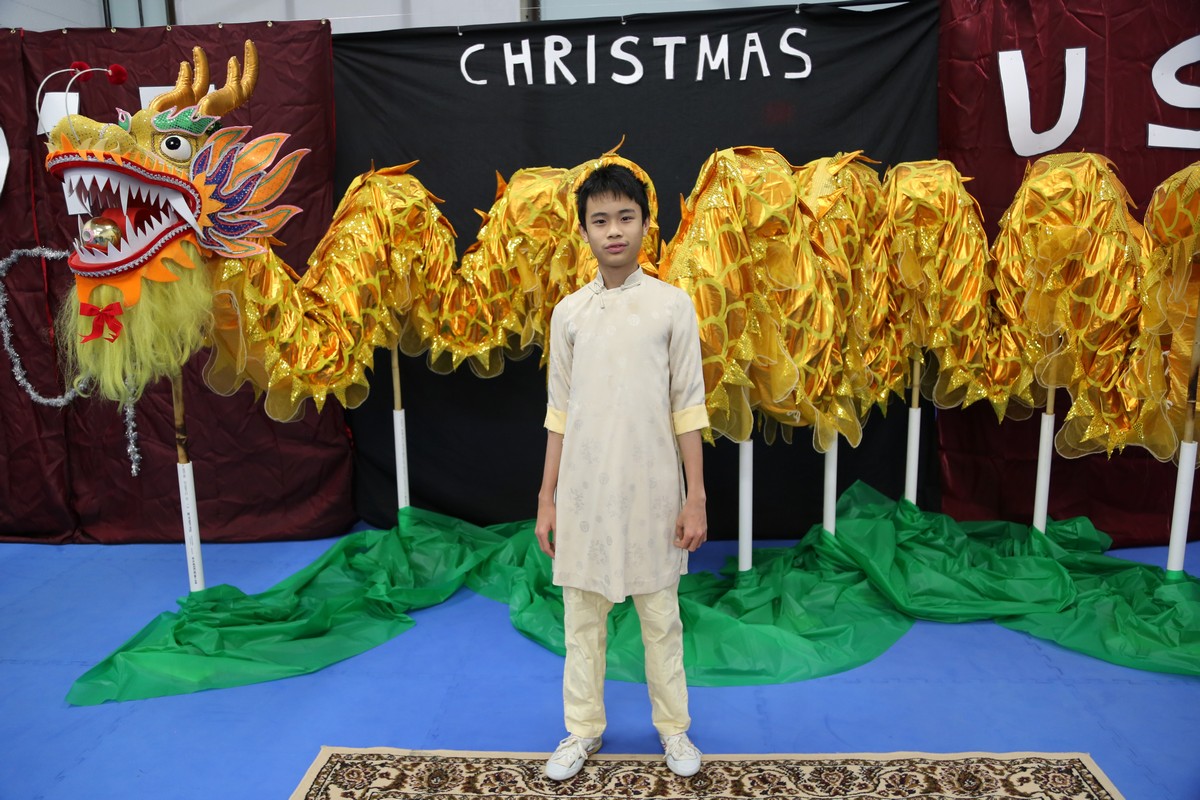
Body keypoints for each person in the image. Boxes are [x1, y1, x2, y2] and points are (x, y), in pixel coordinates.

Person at [534, 162, 709, 782]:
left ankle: (675, 729)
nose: (614, 231)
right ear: (583, 231)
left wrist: (695, 496)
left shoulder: (672, 307)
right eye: (600, 220)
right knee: (582, 622)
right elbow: (558, 413)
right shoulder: (569, 314)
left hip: (653, 493)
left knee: (662, 620)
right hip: (584, 493)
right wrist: (547, 497)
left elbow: (688, 406)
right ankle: (582, 729)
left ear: (645, 225)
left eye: (625, 218)